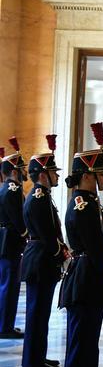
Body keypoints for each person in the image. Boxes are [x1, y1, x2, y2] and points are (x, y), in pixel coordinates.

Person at [59, 122, 103, 367]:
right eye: (100, 173)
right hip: (85, 283)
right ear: (87, 175)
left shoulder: (89, 203)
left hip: (87, 282)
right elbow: (96, 251)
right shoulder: (84, 205)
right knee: (80, 353)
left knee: (86, 352)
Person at [20, 134, 66, 367]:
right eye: (53, 172)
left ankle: (37, 357)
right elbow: (47, 235)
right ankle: (32, 362)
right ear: (42, 175)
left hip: (41, 259)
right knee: (37, 314)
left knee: (40, 314)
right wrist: (61, 252)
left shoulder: (42, 196)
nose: (57, 176)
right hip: (41, 260)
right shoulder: (39, 197)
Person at [0, 138, 28, 339]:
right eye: (23, 168)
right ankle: (4, 326)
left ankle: (6, 324)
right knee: (8, 286)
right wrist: (28, 235)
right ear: (15, 171)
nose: (26, 172)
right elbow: (18, 219)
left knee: (9, 285)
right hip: (10, 242)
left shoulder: (9, 188)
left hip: (7, 241)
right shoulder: (13, 189)